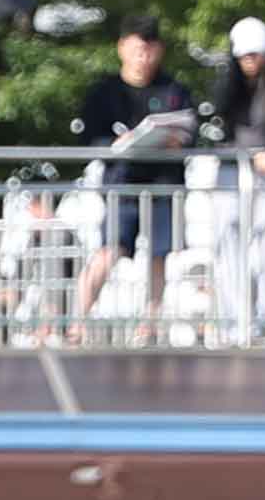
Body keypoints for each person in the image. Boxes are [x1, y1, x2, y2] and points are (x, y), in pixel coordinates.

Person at [71, 18, 194, 330]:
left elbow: (189, 130)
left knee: (158, 256)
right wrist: (117, 144)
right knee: (109, 249)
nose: (144, 56)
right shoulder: (104, 92)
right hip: (121, 183)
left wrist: (176, 140)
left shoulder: (174, 90)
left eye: (150, 49)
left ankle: (149, 325)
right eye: (138, 48)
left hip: (163, 183)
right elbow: (90, 138)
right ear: (122, 47)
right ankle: (77, 320)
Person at [195, 16, 265, 335]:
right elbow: (213, 119)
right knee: (229, 245)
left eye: (256, 55)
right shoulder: (224, 88)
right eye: (244, 56)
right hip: (230, 174)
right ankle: (235, 321)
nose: (250, 62)